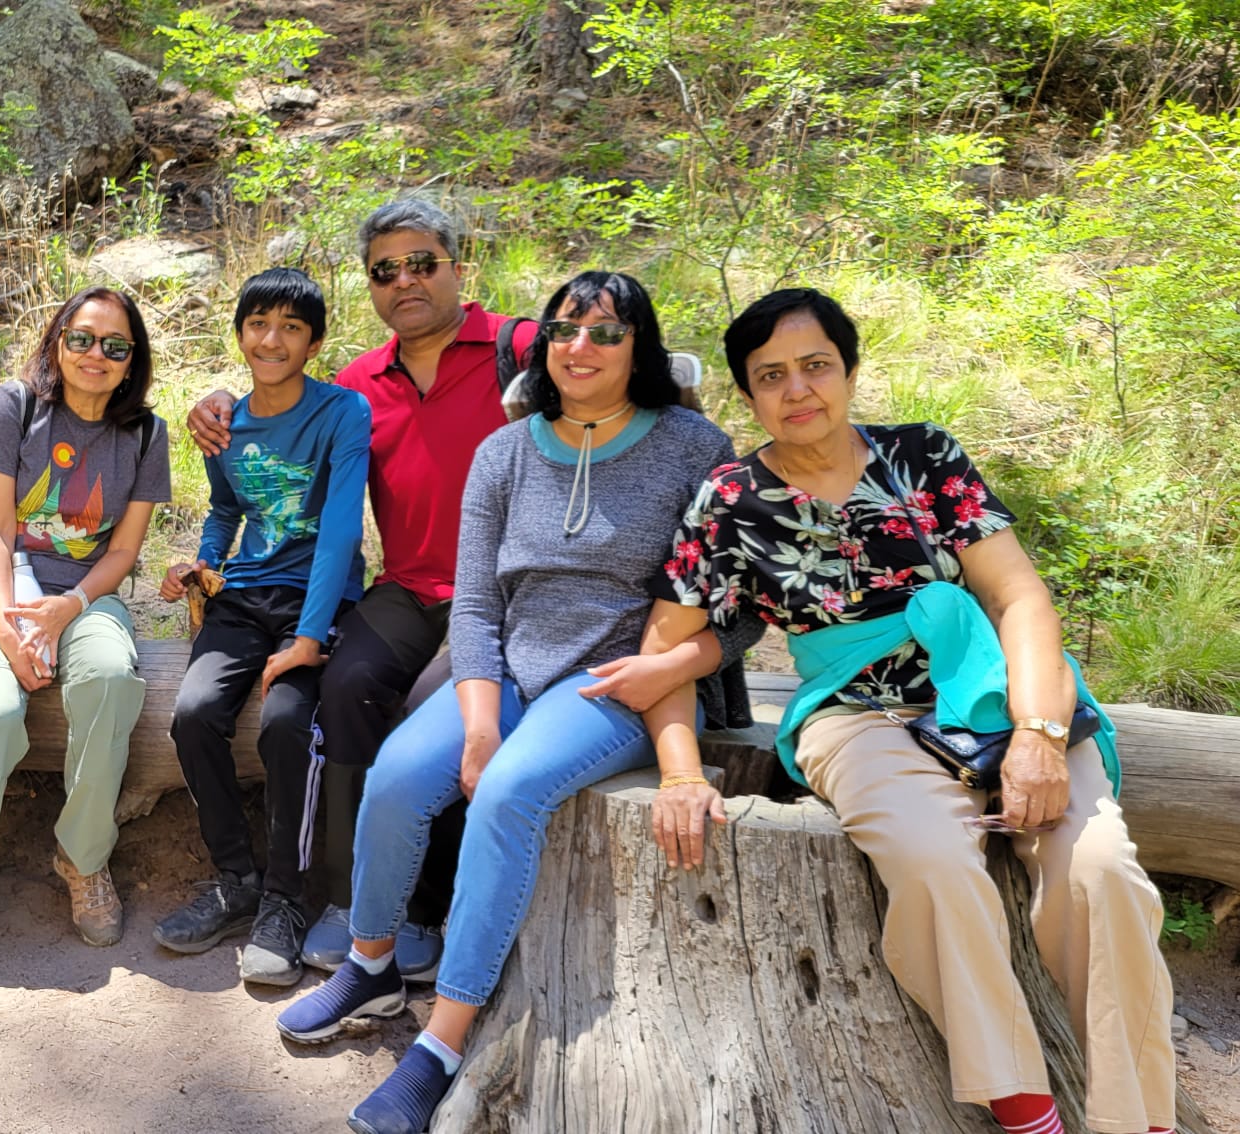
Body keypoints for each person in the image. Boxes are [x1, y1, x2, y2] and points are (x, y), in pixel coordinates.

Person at [641, 288, 1176, 1134]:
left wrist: (1038, 735)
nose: (799, 389)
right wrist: (677, 772)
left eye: (816, 365)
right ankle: (1026, 1107)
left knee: (1102, 870)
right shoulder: (730, 501)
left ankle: (1138, 1118)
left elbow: (1019, 596)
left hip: (994, 686)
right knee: (935, 863)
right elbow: (664, 647)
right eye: (770, 375)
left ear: (848, 371)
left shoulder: (922, 455)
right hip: (854, 713)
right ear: (748, 395)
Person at [275, 272, 752, 1134]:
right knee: (394, 777)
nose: (580, 347)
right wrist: (482, 716)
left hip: (618, 680)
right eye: (565, 329)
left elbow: (744, 604)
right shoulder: (508, 448)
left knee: (504, 796)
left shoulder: (693, 447)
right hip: (512, 665)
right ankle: (373, 962)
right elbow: (477, 601)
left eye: (607, 333)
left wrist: (672, 666)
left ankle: (444, 1044)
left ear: (639, 347)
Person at [187, 198, 539, 979]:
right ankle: (348, 899)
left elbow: (618, 387)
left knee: (428, 717)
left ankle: (421, 911)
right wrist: (214, 406)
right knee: (345, 688)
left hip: (507, 594)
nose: (405, 281)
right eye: (386, 270)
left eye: (423, 263)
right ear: (369, 286)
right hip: (409, 586)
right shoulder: (358, 384)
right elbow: (277, 415)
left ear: (457, 265)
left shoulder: (522, 349)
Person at [0, 286, 171, 983]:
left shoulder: (145, 433)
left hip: (82, 596)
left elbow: (123, 553)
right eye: (80, 338)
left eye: (115, 345)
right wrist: (14, 626)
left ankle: (84, 857)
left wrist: (66, 606)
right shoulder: (14, 407)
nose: (95, 355)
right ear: (55, 342)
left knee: (109, 680)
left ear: (132, 359)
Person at [154, 268, 372, 985]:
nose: (271, 340)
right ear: (240, 330)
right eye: (258, 324)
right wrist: (204, 564)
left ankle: (287, 899)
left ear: (314, 341)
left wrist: (311, 635)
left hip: (322, 599)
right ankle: (236, 882)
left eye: (291, 328)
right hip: (244, 596)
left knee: (285, 723)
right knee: (192, 714)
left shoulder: (342, 412)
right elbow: (224, 511)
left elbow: (340, 527)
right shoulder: (226, 422)